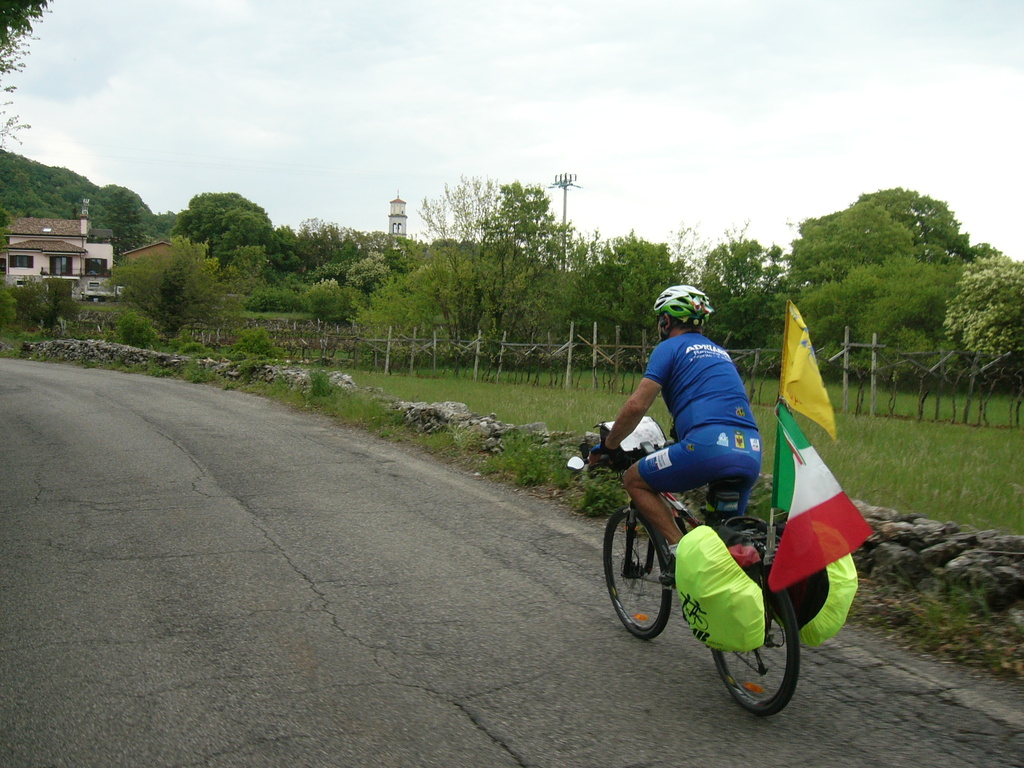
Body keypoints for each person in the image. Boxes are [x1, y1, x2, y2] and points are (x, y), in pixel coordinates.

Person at [589, 285, 762, 554]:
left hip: (707, 447)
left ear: (666, 321)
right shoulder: (721, 353)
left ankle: (681, 552)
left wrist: (609, 446)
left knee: (634, 480)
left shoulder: (669, 348)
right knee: (726, 545)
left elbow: (636, 406)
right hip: (750, 451)